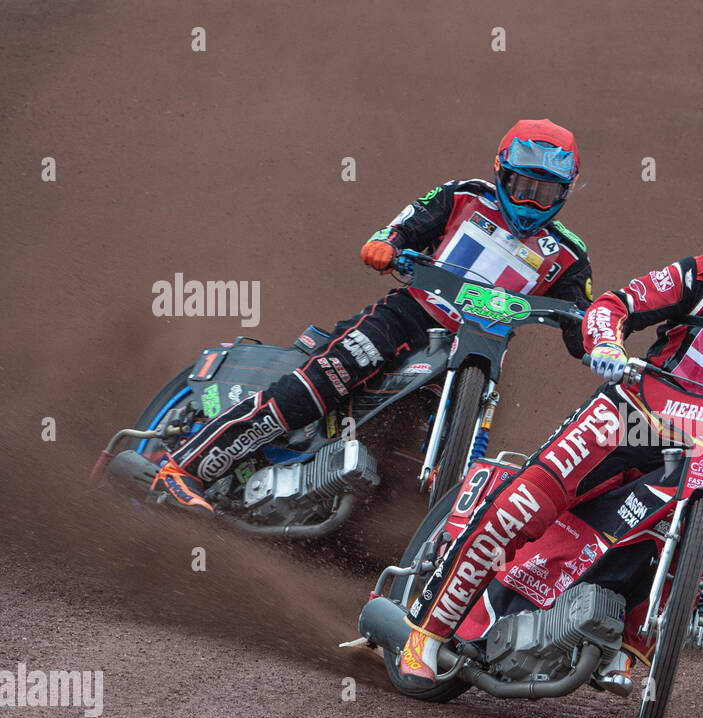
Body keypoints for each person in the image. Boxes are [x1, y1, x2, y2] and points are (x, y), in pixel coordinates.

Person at [397, 188, 703, 692]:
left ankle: (628, 643)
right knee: (521, 506)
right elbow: (616, 304)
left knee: (681, 540)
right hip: (628, 417)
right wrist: (606, 343)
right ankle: (427, 632)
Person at [152, 119, 592, 510]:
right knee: (333, 374)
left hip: (480, 352)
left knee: (465, 438)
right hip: (409, 316)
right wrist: (386, 244)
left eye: (545, 193)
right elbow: (402, 227)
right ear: (501, 173)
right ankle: (188, 467)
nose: (531, 202)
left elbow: (585, 325)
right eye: (521, 187)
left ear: (565, 194)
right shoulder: (463, 196)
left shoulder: (570, 256)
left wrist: (601, 339)